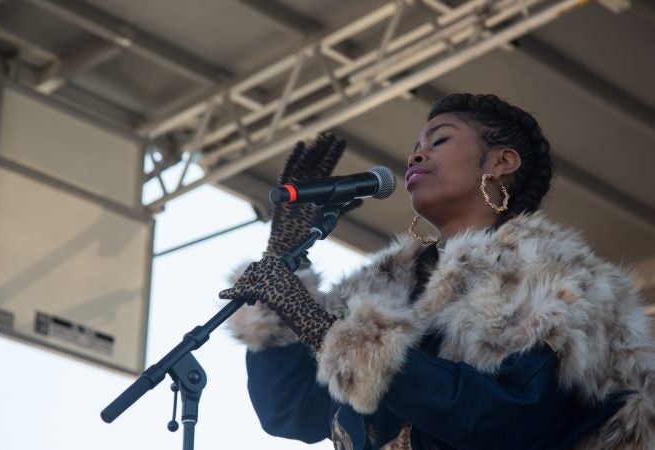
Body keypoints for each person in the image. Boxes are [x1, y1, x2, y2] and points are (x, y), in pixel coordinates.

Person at [219, 93, 654, 450]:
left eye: (439, 140)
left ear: (501, 162)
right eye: (416, 146)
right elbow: (293, 412)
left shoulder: (558, 281)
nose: (416, 153)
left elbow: (500, 418)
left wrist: (328, 331)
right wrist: (285, 258)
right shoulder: (382, 290)